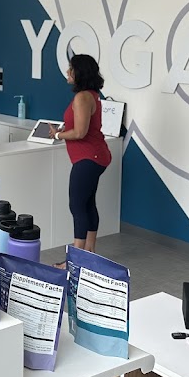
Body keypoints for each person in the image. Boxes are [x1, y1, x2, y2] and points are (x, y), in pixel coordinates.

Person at [50, 54, 112, 268]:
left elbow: (80, 132)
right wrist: (63, 131)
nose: (68, 72)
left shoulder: (83, 97)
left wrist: (58, 135)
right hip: (94, 156)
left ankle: (74, 261)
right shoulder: (90, 95)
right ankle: (89, 253)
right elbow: (80, 127)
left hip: (89, 156)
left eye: (71, 69)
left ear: (80, 72)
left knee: (77, 205)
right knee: (87, 203)